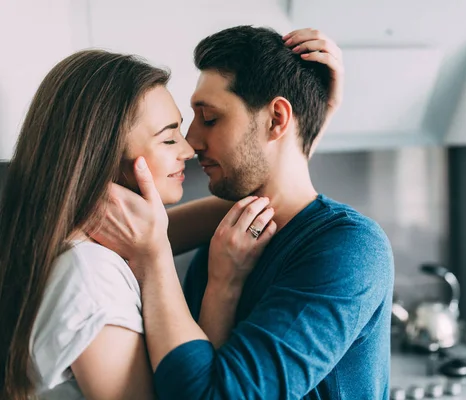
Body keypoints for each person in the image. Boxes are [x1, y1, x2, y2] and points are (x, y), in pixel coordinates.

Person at [93, 26, 395, 399]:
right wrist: (305, 123)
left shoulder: (350, 249)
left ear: (277, 119)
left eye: (210, 118)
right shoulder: (227, 242)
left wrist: (154, 261)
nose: (192, 142)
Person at [0, 49, 277, 400]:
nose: (188, 150)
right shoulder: (92, 275)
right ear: (105, 155)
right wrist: (223, 285)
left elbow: (266, 198)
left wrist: (298, 132)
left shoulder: (76, 244)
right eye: (167, 137)